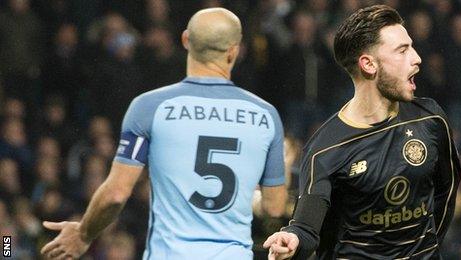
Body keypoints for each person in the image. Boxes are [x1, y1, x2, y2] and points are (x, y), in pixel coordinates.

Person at [40, 7, 287, 259]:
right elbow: (275, 206)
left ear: (185, 40)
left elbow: (116, 193)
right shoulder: (265, 115)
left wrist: (84, 234)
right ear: (235, 50)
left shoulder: (149, 107)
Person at [263, 5, 461, 260]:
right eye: (402, 50)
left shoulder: (431, 119)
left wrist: (426, 250)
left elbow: (446, 192)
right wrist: (293, 240)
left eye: (411, 46)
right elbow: (306, 227)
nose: (416, 58)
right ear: (368, 64)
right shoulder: (325, 149)